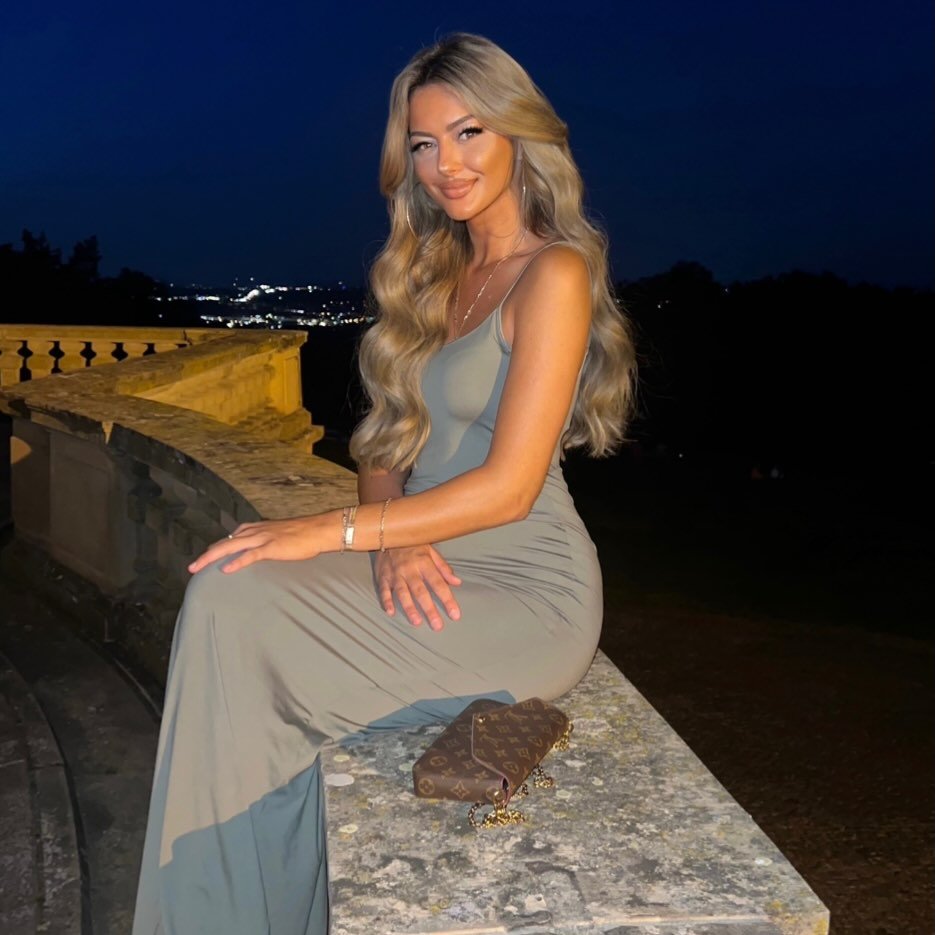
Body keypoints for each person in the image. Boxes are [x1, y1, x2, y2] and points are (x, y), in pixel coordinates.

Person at [132, 32, 635, 935]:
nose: (447, 165)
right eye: (424, 143)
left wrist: (332, 532)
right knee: (226, 595)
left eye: (470, 133)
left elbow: (510, 488)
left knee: (243, 618)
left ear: (519, 134)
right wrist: (390, 530)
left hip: (526, 588)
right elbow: (380, 442)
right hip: (429, 553)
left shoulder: (551, 273)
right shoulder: (434, 273)